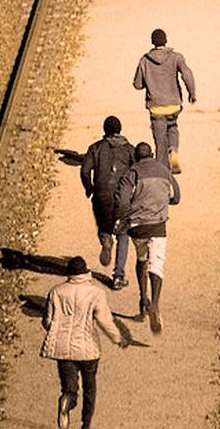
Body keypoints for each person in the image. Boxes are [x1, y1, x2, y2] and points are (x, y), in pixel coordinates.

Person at [41, 256, 127, 429]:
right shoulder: (95, 293)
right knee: (90, 389)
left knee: (69, 387)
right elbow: (104, 320)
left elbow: (47, 322)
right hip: (88, 350)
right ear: (86, 272)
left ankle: (67, 400)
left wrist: (58, 333)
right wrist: (117, 337)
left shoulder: (56, 291)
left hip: (63, 349)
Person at [114, 142, 180, 334]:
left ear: (136, 156)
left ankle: (143, 299)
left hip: (137, 227)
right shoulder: (164, 171)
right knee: (157, 264)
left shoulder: (131, 173)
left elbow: (122, 201)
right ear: (151, 154)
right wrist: (161, 201)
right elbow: (176, 198)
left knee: (142, 259)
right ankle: (156, 304)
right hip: (158, 224)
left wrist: (123, 217)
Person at [80, 115, 135, 289]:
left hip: (101, 196)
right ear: (120, 130)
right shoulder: (129, 150)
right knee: (123, 234)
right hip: (122, 197)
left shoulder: (95, 148)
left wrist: (89, 188)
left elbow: (84, 171)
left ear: (105, 130)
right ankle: (118, 275)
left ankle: (105, 238)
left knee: (104, 225)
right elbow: (137, 170)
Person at [132, 28, 195, 174]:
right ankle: (173, 150)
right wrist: (192, 93)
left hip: (156, 107)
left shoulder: (145, 61)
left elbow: (137, 85)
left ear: (152, 42)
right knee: (172, 127)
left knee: (160, 140)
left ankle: (161, 171)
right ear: (166, 41)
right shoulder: (176, 57)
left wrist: (149, 80)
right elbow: (187, 74)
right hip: (173, 105)